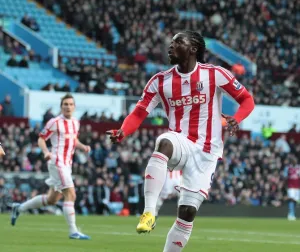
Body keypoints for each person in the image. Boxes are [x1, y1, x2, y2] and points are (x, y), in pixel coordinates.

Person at [107, 30, 255, 251]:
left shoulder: (215, 74)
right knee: (164, 143)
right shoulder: (160, 81)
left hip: (207, 151)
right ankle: (149, 212)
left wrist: (237, 118)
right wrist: (123, 131)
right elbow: (139, 112)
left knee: (187, 212)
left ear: (193, 49)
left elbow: (246, 99)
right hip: (180, 141)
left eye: (177, 43)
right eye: (171, 43)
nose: (170, 47)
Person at [11, 94, 92, 240]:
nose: (68, 107)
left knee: (52, 199)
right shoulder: (54, 122)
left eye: (70, 104)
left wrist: (82, 146)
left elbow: (73, 139)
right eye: (65, 104)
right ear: (61, 107)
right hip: (57, 162)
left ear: (74, 107)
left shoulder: (75, 122)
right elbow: (41, 138)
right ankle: (73, 231)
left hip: (67, 164)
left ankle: (19, 208)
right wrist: (46, 151)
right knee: (71, 194)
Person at [284, 156, 300, 221]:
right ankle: (291, 214)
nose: (294, 161)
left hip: (297, 186)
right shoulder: (288, 168)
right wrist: (285, 185)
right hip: (291, 186)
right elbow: (285, 177)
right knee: (291, 199)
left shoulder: (299, 168)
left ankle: (293, 213)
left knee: (296, 201)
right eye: (293, 160)